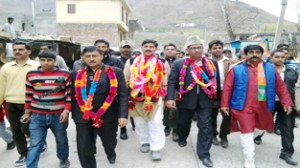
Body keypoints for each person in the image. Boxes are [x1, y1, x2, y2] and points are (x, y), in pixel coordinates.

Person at [220, 45, 294, 168]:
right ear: (246, 54)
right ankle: (249, 159)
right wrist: (224, 104)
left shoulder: (270, 69)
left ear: (262, 54)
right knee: (247, 131)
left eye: (257, 52)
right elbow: (227, 88)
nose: (255, 54)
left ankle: (250, 141)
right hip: (243, 106)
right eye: (251, 52)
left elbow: (280, 87)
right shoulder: (236, 69)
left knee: (261, 128)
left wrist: (286, 102)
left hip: (264, 106)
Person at [166, 35, 220, 167]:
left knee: (206, 126)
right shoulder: (179, 64)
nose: (196, 50)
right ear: (187, 50)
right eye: (193, 48)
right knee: (183, 123)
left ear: (203, 49)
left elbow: (216, 82)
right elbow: (172, 82)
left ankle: (204, 154)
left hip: (205, 101)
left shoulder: (212, 63)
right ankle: (183, 137)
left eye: (199, 48)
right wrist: (170, 98)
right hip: (185, 100)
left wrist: (218, 99)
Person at [71, 46, 128, 168]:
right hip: (83, 115)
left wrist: (123, 115)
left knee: (109, 141)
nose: (91, 59)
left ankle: (110, 152)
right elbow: (72, 96)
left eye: (94, 56)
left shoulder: (115, 72)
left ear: (102, 56)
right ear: (83, 58)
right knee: (84, 146)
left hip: (108, 115)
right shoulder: (76, 74)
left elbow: (123, 95)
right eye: (87, 56)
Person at [21, 51, 71, 168]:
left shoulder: (64, 74)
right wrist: (27, 113)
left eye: (49, 60)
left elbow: (69, 94)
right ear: (39, 60)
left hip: (58, 115)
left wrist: (66, 111)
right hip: (37, 116)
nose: (46, 63)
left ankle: (63, 159)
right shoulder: (31, 74)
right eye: (43, 60)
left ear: (55, 61)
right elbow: (28, 95)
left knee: (61, 140)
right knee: (35, 144)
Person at [123, 39, 169, 161]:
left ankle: (156, 148)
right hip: (136, 97)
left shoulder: (162, 62)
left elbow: (165, 80)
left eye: (151, 46)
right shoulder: (132, 61)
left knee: (155, 122)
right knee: (139, 122)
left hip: (156, 97)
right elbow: (125, 79)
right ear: (141, 47)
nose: (148, 48)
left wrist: (164, 96)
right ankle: (144, 142)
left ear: (155, 49)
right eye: (146, 46)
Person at [0, 42, 40, 166]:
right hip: (11, 103)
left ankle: (39, 142)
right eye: (15, 49)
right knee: (16, 130)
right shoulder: (6, 67)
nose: (17, 51)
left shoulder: (37, 66)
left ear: (29, 52)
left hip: (31, 103)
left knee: (27, 128)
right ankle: (23, 153)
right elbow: (2, 86)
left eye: (21, 49)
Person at [269, 49, 298, 166]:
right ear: (271, 58)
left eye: (282, 57)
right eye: (277, 57)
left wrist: (294, 104)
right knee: (261, 123)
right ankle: (256, 138)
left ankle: (286, 152)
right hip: (268, 102)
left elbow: (296, 88)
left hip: (286, 104)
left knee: (288, 128)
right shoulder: (265, 71)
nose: (280, 59)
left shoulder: (292, 71)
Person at [208, 40, 231, 148]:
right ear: (210, 50)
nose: (217, 50)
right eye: (214, 48)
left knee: (227, 115)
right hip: (212, 92)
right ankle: (213, 135)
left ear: (223, 49)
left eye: (219, 48)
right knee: (212, 115)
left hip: (227, 92)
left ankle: (224, 135)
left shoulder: (231, 62)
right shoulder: (206, 62)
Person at [118, 40, 136, 135]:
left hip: (132, 89)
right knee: (122, 109)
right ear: (120, 49)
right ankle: (123, 130)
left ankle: (134, 125)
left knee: (133, 107)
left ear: (131, 49)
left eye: (128, 47)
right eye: (124, 47)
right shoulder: (116, 61)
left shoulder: (136, 61)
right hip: (119, 88)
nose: (126, 49)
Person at [163, 43, 179, 141]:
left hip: (176, 89)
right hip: (161, 89)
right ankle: (166, 126)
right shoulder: (159, 62)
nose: (169, 51)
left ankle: (175, 130)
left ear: (176, 51)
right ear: (164, 51)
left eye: (172, 49)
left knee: (175, 110)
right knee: (164, 110)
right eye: (167, 49)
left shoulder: (181, 62)